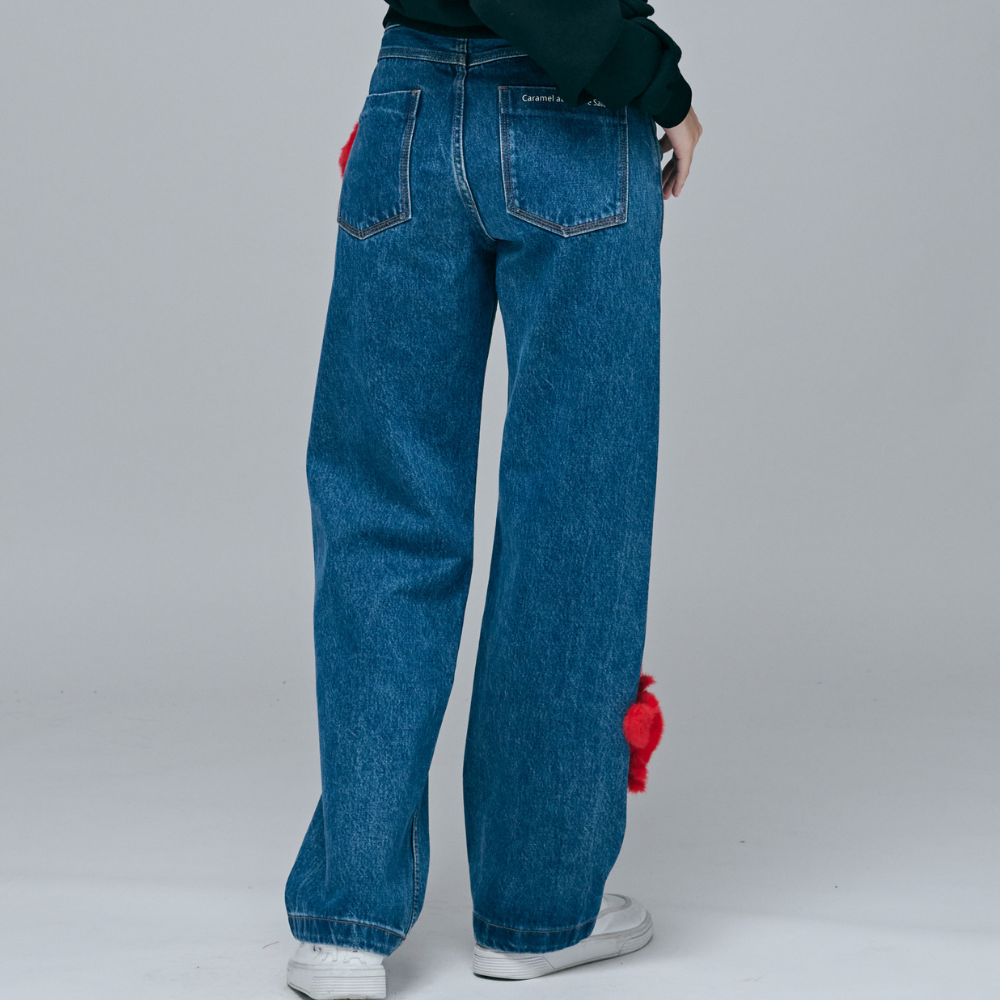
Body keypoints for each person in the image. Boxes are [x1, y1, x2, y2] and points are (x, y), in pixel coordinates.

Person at [284, 2, 702, 997]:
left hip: (409, 107)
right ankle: (538, 910)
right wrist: (657, 82)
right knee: (573, 515)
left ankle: (347, 927)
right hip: (574, 117)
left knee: (385, 514)